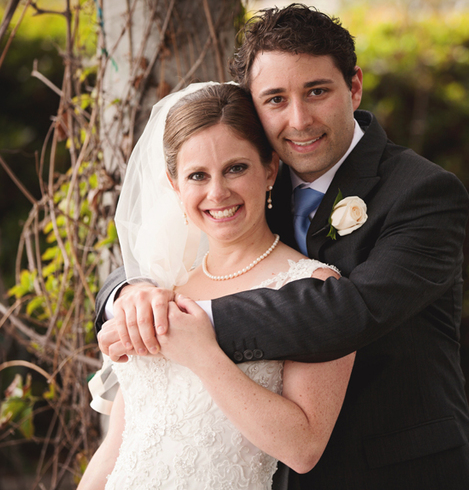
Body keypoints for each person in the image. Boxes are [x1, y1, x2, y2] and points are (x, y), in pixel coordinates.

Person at [96, 4, 469, 489]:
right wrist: (131, 293)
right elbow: (175, 248)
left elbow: (350, 311)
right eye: (276, 99)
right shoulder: (247, 180)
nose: (299, 120)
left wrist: (193, 323)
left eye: (317, 92)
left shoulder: (422, 193)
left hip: (398, 470)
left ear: (354, 86)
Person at [79, 83, 354, 490]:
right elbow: (119, 445)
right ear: (175, 186)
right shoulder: (161, 288)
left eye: (236, 168)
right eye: (197, 176)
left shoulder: (313, 287)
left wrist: (203, 355)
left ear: (270, 170)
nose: (217, 192)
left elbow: (304, 447)